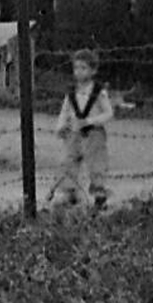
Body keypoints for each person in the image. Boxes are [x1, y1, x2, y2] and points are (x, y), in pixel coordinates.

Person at [52, 49, 116, 207]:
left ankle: (99, 193)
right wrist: (60, 126)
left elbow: (108, 113)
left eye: (83, 68)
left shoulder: (98, 92)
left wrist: (90, 121)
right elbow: (65, 110)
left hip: (94, 133)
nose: (78, 72)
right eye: (76, 68)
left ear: (93, 70)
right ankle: (69, 192)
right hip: (74, 132)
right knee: (69, 161)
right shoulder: (72, 92)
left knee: (96, 162)